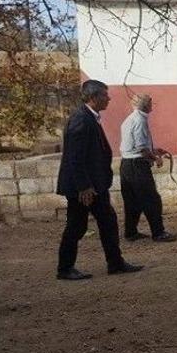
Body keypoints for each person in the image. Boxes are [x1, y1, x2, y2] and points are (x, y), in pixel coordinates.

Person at [56, 80, 144, 280]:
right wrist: (84, 187)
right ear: (93, 98)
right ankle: (65, 268)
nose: (109, 98)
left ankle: (115, 263)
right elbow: (75, 157)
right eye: (105, 95)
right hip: (85, 188)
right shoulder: (81, 119)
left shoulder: (89, 117)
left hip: (94, 186)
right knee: (77, 226)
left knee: (108, 222)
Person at [119, 94, 177, 242]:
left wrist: (154, 150)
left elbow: (135, 145)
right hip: (137, 165)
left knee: (132, 201)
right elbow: (141, 148)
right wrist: (155, 158)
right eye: (150, 102)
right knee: (152, 199)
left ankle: (131, 232)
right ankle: (158, 233)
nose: (152, 105)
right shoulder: (140, 120)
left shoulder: (130, 118)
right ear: (145, 105)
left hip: (126, 164)